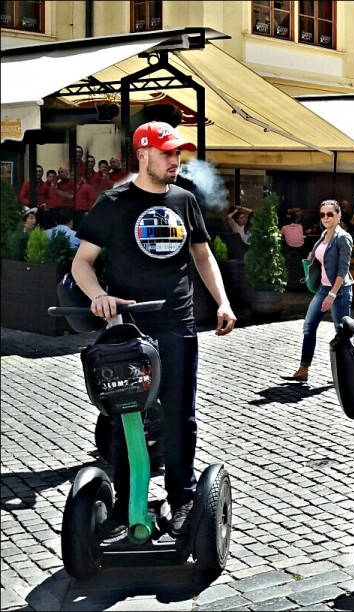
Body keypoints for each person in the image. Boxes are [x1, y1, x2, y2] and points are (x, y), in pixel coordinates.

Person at [72, 121, 236, 538]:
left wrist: (223, 301)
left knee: (181, 417)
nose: (175, 159)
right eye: (167, 152)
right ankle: (127, 504)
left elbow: (203, 256)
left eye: (178, 152)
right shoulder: (114, 202)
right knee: (127, 419)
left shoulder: (184, 200)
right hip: (128, 330)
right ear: (143, 154)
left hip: (178, 326)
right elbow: (81, 263)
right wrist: (98, 296)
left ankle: (182, 499)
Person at [287, 199, 354, 383]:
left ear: (339, 215)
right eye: (322, 214)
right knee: (309, 326)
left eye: (330, 214)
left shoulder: (343, 238)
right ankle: (303, 370)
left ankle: (345, 374)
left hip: (339, 290)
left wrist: (332, 295)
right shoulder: (324, 233)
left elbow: (343, 269)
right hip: (323, 288)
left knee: (341, 333)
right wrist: (312, 258)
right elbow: (319, 255)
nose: (325, 217)